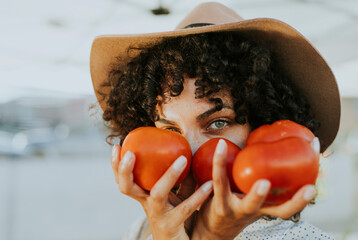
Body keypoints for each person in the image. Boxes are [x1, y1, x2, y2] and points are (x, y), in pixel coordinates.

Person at [90, 2, 340, 239]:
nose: (189, 152)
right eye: (170, 129)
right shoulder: (143, 230)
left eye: (218, 123)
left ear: (265, 125)